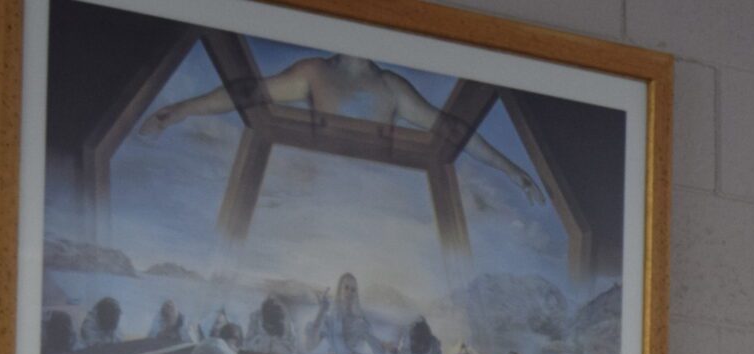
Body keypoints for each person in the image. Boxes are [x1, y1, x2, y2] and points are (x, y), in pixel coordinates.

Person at [141, 51, 547, 206]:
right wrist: (178, 111)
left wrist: (514, 172)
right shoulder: (314, 73)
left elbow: (456, 131)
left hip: (373, 210)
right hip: (311, 202)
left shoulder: (392, 88)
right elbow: (245, 92)